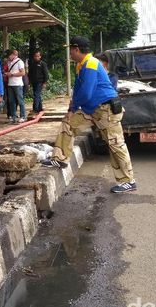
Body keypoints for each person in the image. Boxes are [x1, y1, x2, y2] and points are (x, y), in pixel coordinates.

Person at [41, 36, 136, 193]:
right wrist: (71, 109)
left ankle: (128, 181)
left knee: (115, 144)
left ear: (76, 49)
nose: (69, 53)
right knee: (68, 123)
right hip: (91, 109)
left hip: (106, 110)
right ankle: (59, 159)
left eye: (70, 50)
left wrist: (77, 105)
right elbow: (78, 89)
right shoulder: (81, 65)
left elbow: (86, 93)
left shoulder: (91, 63)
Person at [5, 49, 26, 123]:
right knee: (11, 101)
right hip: (10, 84)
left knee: (20, 101)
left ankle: (23, 116)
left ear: (12, 55)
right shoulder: (9, 62)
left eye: (9, 56)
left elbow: (23, 73)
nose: (8, 58)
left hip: (18, 84)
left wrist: (12, 74)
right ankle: (13, 116)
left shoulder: (19, 62)